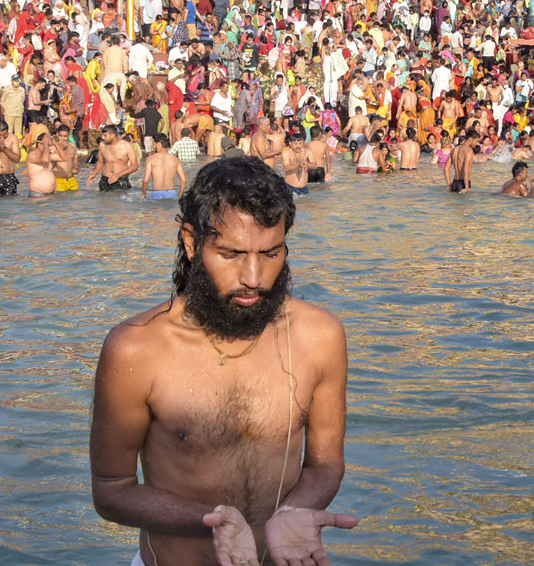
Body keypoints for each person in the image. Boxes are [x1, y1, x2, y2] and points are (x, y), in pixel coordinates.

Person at [90, 157, 357, 566]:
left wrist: (289, 515)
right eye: (231, 254)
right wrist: (210, 521)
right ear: (191, 242)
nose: (254, 276)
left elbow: (324, 465)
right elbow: (111, 488)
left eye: (270, 253)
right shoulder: (136, 349)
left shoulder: (319, 336)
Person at [88, 124, 140, 192]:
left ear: (112, 135)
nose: (102, 137)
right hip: (105, 180)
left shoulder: (127, 146)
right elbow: (100, 162)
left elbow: (135, 165)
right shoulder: (102, 145)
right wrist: (94, 174)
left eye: (105, 135)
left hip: (121, 180)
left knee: (120, 202)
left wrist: (118, 174)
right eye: (102, 135)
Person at [141, 135, 187, 200]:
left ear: (159, 144)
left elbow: (145, 180)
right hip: (171, 193)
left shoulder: (151, 159)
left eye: (154, 144)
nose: (153, 147)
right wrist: (180, 194)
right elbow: (183, 180)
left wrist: (143, 194)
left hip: (157, 193)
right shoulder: (175, 159)